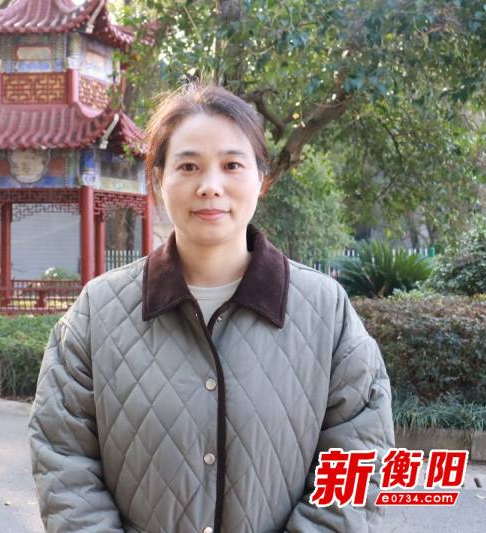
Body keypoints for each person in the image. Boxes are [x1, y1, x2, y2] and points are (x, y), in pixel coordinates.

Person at [27, 83, 395, 533]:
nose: (210, 187)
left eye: (232, 165)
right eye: (188, 166)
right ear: (158, 179)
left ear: (262, 178)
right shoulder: (97, 312)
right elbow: (63, 459)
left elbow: (361, 459)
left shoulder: (325, 312)